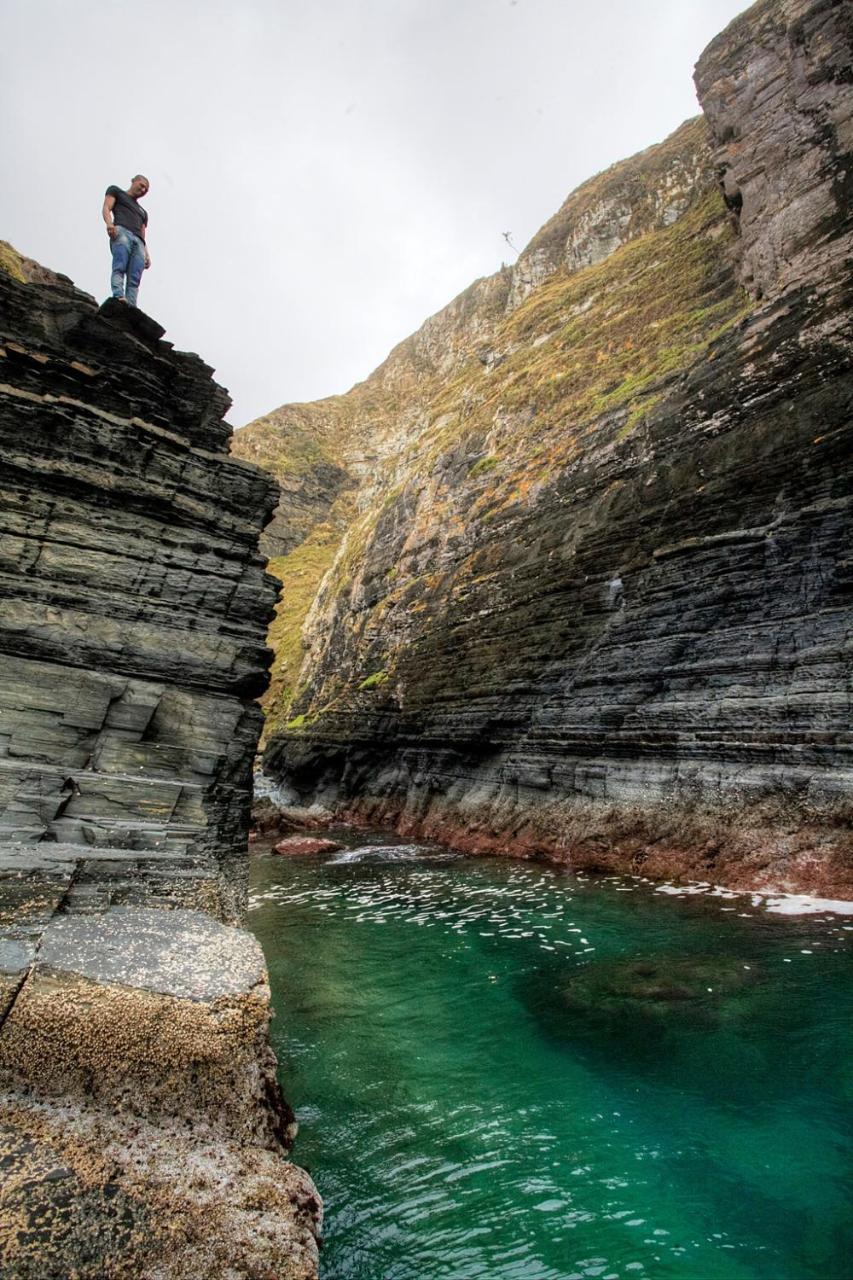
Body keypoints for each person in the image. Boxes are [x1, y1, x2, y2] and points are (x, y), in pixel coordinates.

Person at [102, 175, 151, 307]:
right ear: (134, 181)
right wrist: (109, 223)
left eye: (145, 190)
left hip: (139, 242)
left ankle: (131, 306)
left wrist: (147, 253)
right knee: (120, 266)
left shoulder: (143, 212)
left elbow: (142, 234)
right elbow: (106, 207)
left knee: (135, 279)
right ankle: (118, 296)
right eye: (141, 185)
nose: (142, 190)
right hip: (122, 231)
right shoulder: (116, 191)